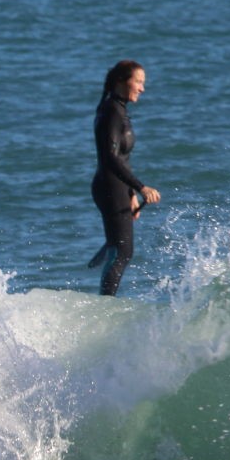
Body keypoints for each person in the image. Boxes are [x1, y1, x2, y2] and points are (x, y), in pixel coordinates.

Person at [88, 59, 161, 296]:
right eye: (138, 81)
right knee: (123, 252)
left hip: (116, 188)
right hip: (110, 187)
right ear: (122, 81)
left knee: (118, 248)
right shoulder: (111, 111)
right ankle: (105, 304)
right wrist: (140, 187)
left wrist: (130, 194)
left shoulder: (117, 109)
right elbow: (110, 157)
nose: (142, 88)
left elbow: (121, 157)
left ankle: (105, 255)